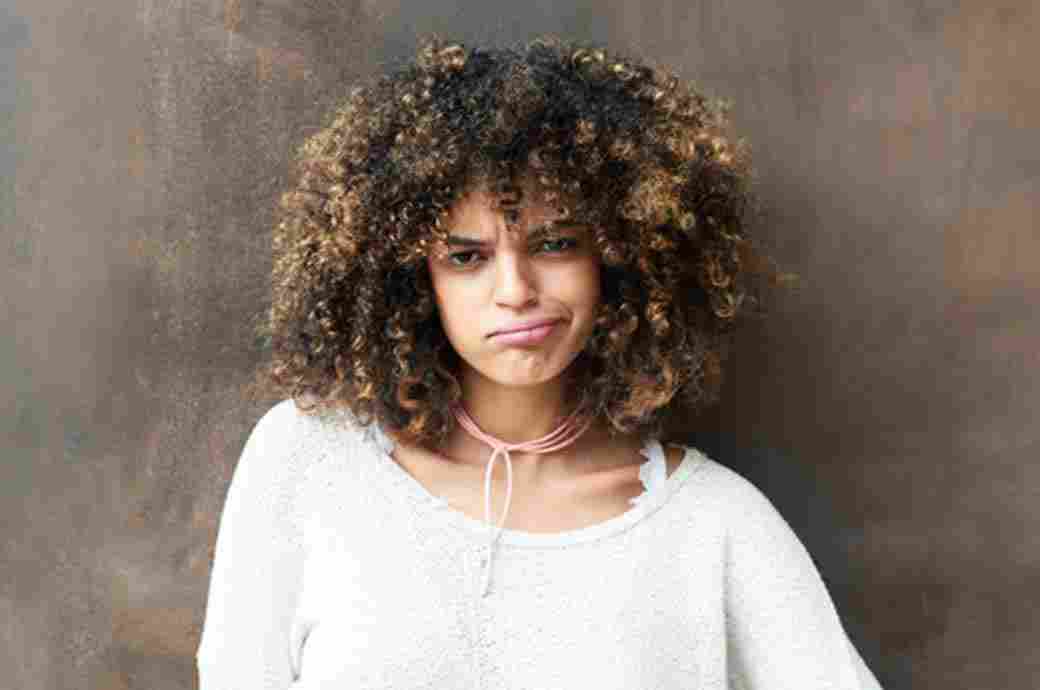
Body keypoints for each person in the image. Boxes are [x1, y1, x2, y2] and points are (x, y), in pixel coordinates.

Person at [195, 35, 883, 689]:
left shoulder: (714, 527)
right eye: (467, 257)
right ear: (411, 280)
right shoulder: (307, 462)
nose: (515, 291)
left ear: (621, 258)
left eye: (554, 244)